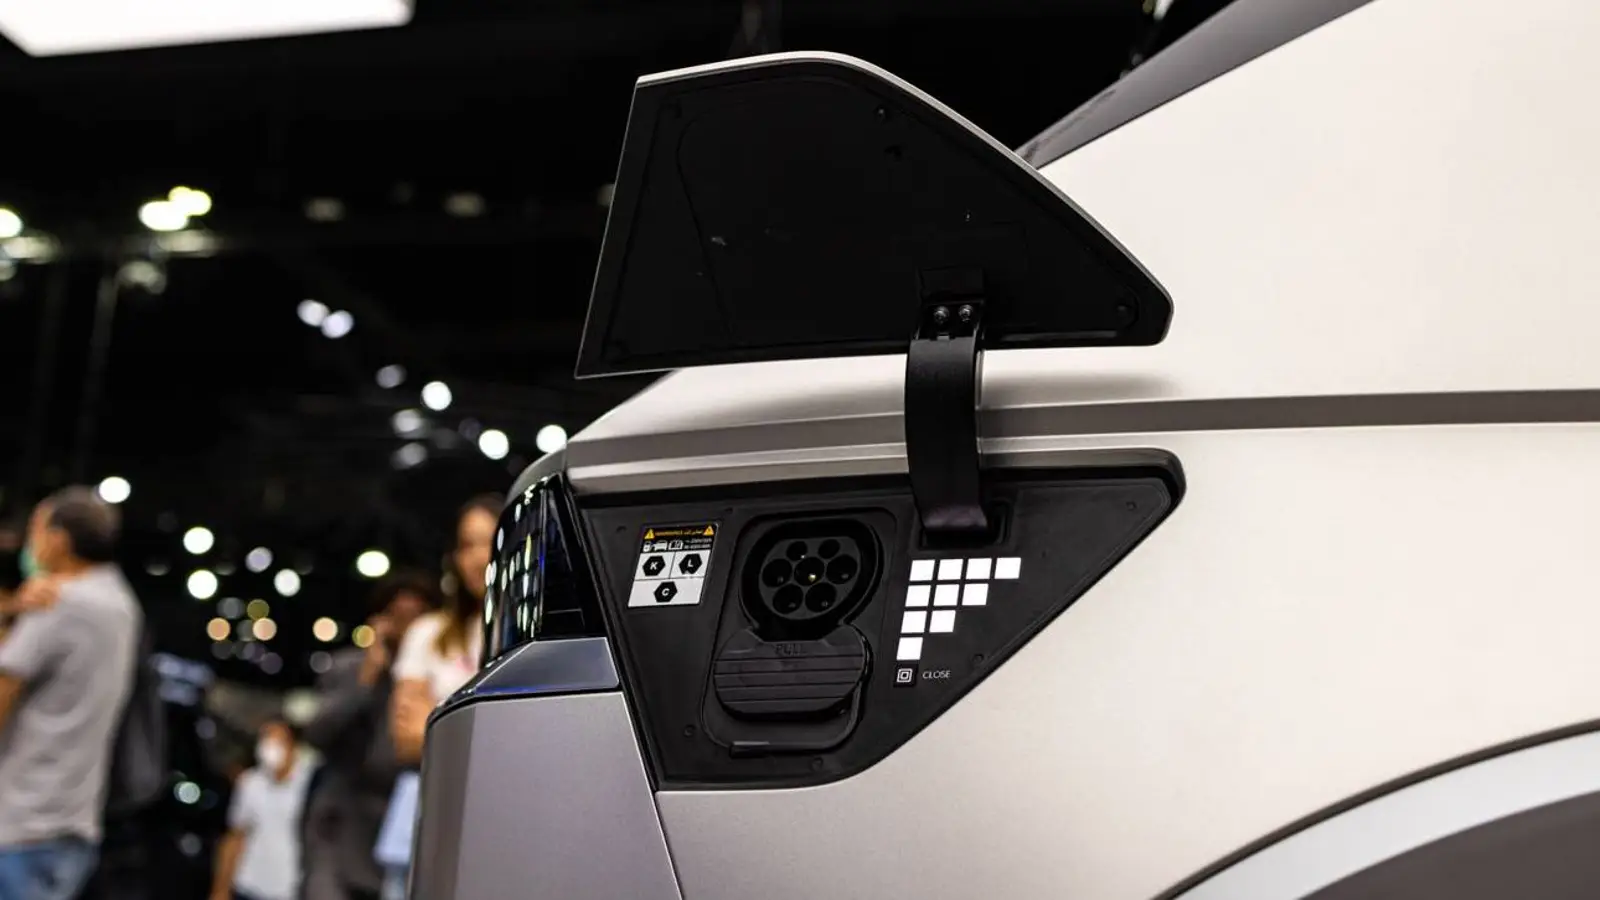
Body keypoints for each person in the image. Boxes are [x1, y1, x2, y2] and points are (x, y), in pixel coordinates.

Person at [0, 487, 142, 900]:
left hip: (19, 824)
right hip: (72, 825)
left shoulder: (56, 601)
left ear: (59, 540)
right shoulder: (122, 606)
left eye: (35, 531)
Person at [300, 571, 438, 900]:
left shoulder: (430, 680)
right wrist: (367, 678)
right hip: (338, 827)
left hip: (397, 826)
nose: (406, 627)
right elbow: (317, 733)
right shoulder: (349, 667)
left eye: (417, 618)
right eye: (398, 616)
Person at [390, 495, 500, 763]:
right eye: (467, 545)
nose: (478, 558)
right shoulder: (427, 632)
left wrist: (438, 728)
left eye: (489, 542)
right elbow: (406, 738)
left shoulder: (537, 634)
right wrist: (495, 737)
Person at [211, 718, 315, 900]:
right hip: (247, 888)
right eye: (266, 740)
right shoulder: (250, 782)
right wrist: (220, 889)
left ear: (293, 746)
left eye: (277, 741)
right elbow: (236, 836)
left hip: (289, 892)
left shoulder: (310, 784)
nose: (270, 747)